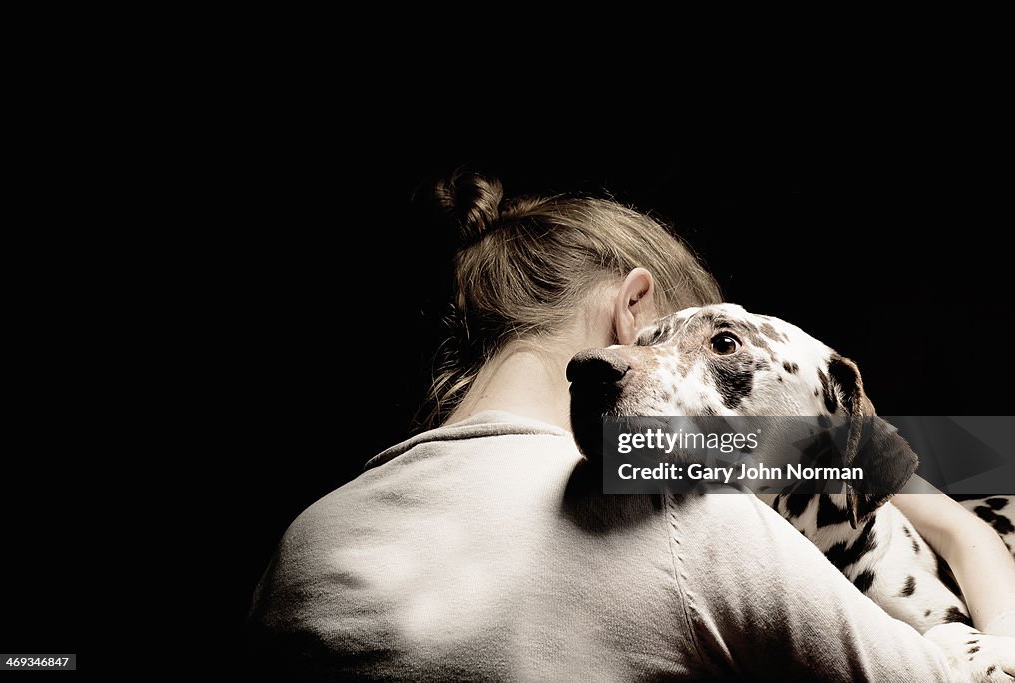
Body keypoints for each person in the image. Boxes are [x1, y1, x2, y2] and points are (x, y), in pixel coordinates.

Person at [248, 170, 1013, 680]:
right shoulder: (684, 518)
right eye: (707, 337)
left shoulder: (300, 544)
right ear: (637, 313)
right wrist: (960, 529)